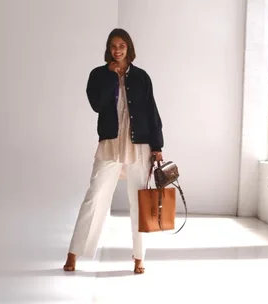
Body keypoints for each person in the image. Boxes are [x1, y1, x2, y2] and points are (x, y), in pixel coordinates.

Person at [63, 28, 164, 274]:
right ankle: (74, 253)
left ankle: (139, 257)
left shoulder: (141, 77)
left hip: (139, 146)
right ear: (108, 49)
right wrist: (111, 77)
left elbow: (151, 111)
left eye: (121, 46)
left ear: (129, 47)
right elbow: (97, 105)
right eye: (112, 46)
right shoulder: (98, 75)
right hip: (110, 144)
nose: (117, 50)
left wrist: (158, 145)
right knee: (94, 197)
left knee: (139, 202)